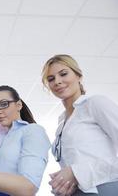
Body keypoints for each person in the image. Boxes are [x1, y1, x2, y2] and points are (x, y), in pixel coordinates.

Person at [41, 54, 118, 196]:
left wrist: (77, 173)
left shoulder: (95, 103)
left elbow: (77, 170)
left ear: (78, 76)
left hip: (104, 188)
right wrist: (63, 184)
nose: (57, 81)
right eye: (51, 79)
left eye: (63, 74)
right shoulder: (61, 121)